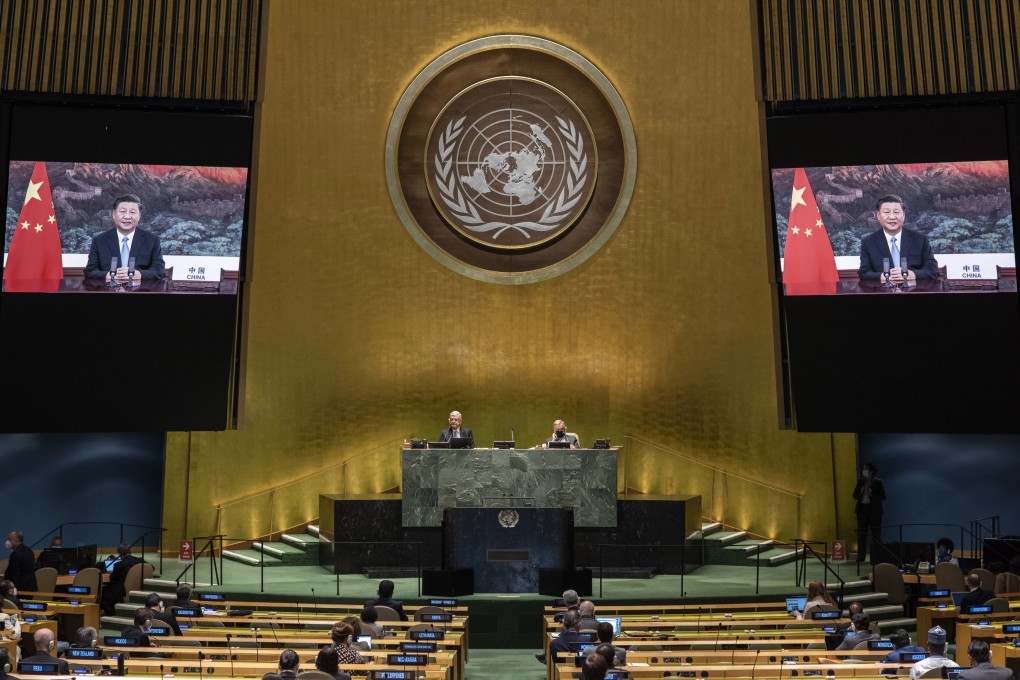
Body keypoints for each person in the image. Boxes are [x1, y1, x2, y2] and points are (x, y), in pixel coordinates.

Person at [83, 194, 166, 283]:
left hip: (140, 290)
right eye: (122, 211)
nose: (127, 216)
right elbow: (90, 271)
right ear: (114, 214)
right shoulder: (99, 241)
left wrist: (138, 275)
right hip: (108, 290)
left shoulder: (152, 240)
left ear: (139, 216)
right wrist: (109, 275)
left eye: (132, 212)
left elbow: (159, 271)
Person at [858, 194, 939, 283]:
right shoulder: (868, 242)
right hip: (882, 290)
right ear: (878, 215)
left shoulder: (920, 240)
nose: (892, 217)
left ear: (903, 215)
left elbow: (933, 270)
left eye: (896, 212)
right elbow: (864, 273)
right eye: (886, 212)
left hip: (914, 290)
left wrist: (913, 274)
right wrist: (882, 276)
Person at [852, 463, 886, 562]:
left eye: (866, 469)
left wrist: (872, 494)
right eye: (863, 469)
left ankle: (877, 556)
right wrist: (861, 492)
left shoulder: (878, 482)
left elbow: (883, 497)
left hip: (875, 511)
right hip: (862, 510)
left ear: (871, 471)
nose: (864, 471)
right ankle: (861, 556)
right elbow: (854, 495)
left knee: (876, 534)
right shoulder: (860, 482)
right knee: (862, 534)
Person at [100, 543, 145, 615]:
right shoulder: (140, 561)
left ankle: (113, 615)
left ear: (120, 553)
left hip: (122, 590)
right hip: (139, 587)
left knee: (103, 598)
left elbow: (112, 578)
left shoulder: (119, 565)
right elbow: (152, 567)